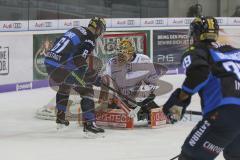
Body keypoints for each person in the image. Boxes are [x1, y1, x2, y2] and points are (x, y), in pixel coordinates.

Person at [162, 16, 240, 160]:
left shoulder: (197, 51)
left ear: (195, 33)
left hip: (224, 113)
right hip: (232, 116)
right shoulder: (235, 52)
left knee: (190, 156)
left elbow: (199, 73)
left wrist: (180, 99)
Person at [44, 17, 106, 135]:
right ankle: (89, 125)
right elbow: (79, 60)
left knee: (65, 86)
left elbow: (57, 41)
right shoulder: (90, 39)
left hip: (49, 62)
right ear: (98, 29)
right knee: (87, 89)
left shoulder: (76, 29)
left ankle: (61, 119)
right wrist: (91, 77)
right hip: (62, 67)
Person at [99, 39, 160, 122]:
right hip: (120, 97)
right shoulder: (112, 62)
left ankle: (145, 110)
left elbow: (153, 81)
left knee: (151, 113)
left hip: (138, 97)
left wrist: (142, 100)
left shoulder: (144, 60)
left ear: (130, 52)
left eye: (123, 53)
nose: (120, 55)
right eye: (119, 52)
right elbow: (108, 81)